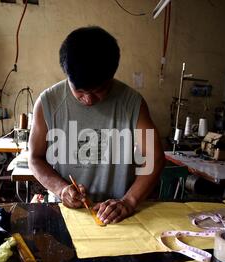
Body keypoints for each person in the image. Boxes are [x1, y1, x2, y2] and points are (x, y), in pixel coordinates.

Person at [28, 26, 164, 224]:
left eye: (99, 90)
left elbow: (154, 158)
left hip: (119, 216)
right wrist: (61, 189)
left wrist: (128, 202)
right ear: (68, 76)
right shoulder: (48, 103)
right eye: (80, 92)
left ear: (111, 77)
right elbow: (35, 158)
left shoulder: (132, 103)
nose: (89, 100)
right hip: (67, 215)